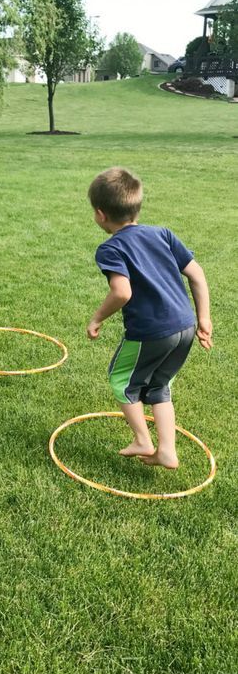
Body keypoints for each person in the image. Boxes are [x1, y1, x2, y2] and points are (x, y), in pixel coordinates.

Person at [86, 167, 212, 469]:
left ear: (100, 215)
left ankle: (143, 440)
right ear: (136, 206)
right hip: (184, 325)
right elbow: (196, 273)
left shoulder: (111, 247)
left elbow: (121, 292)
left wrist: (97, 318)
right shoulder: (163, 234)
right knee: (159, 385)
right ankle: (167, 450)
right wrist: (204, 319)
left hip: (151, 331)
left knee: (122, 381)